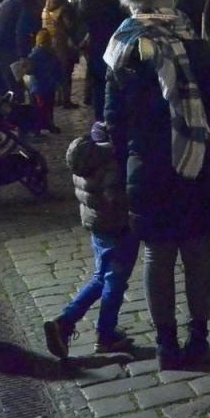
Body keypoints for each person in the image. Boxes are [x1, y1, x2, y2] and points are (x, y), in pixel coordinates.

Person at [104, 0, 210, 370]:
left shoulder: (121, 47)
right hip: (199, 165)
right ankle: (199, 337)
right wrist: (205, 142)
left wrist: (129, 160)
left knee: (158, 256)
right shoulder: (193, 44)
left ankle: (166, 345)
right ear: (166, 0)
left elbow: (112, 119)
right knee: (198, 253)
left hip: (148, 169)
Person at [45, 121, 137, 359]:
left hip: (97, 225)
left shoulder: (85, 154)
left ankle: (78, 326)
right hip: (118, 226)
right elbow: (114, 196)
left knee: (102, 277)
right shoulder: (111, 161)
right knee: (114, 282)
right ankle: (96, 332)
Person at [78, 0, 126, 119]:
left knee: (98, 83)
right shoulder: (111, 3)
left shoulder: (84, 4)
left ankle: (100, 115)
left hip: (95, 45)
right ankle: (112, 112)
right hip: (111, 44)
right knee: (111, 80)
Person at [0, 0, 43, 100]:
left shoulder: (7, 2)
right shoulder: (24, 6)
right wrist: (24, 56)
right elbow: (22, 32)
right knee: (14, 83)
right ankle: (17, 111)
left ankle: (0, 113)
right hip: (5, 48)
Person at [44, 0, 81, 108]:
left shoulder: (47, 7)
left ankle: (57, 99)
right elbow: (69, 25)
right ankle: (65, 99)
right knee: (66, 72)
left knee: (55, 71)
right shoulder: (66, 8)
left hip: (50, 42)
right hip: (64, 44)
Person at [25, 28, 65, 133]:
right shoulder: (50, 54)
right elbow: (58, 69)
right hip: (44, 87)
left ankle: (42, 126)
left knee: (42, 108)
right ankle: (43, 125)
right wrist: (60, 81)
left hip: (40, 87)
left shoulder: (35, 54)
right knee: (44, 108)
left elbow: (29, 70)